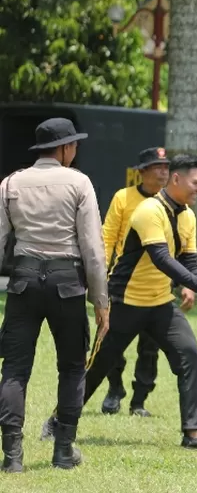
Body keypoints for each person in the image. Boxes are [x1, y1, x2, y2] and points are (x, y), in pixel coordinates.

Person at [71, 154, 197, 451]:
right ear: (177, 179)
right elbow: (161, 258)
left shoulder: (187, 214)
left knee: (191, 357)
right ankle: (60, 421)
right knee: (98, 366)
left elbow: (190, 260)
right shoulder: (148, 210)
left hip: (161, 303)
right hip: (125, 302)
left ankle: (194, 435)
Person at [0, 118, 108, 472]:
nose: (76, 151)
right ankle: (63, 450)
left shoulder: (11, 183)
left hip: (24, 278)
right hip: (67, 282)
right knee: (73, 367)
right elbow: (93, 249)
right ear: (64, 148)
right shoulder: (79, 182)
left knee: (15, 369)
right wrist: (101, 301)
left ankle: (12, 457)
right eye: (74, 144)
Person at [100, 147, 176, 417]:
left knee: (150, 347)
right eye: (157, 166)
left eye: (166, 166)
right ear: (142, 171)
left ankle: (139, 401)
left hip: (158, 287)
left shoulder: (173, 202)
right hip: (123, 285)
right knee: (111, 342)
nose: (163, 171)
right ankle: (114, 388)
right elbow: (108, 237)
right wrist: (99, 276)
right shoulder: (123, 197)